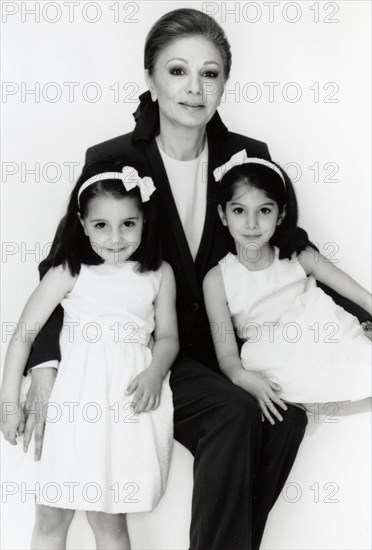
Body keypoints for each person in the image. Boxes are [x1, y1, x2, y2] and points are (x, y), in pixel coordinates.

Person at [17, 8, 371, 550]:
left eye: (210, 73)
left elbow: (292, 250)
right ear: (151, 79)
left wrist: (362, 319)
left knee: (286, 420)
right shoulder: (113, 159)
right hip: (145, 351)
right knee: (235, 411)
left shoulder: (247, 157)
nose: (194, 87)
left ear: (225, 82)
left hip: (227, 345)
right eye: (178, 70)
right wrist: (45, 364)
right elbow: (62, 263)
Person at [0, 160, 179, 549]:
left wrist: (155, 371)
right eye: (101, 226)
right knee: (51, 513)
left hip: (124, 403)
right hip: (72, 400)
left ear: (144, 220)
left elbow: (168, 337)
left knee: (110, 520)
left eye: (128, 224)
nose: (115, 238)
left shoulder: (159, 273)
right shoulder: (70, 269)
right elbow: (23, 335)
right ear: (82, 224)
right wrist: (9, 402)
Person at [203, 153, 371, 423]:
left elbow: (363, 298)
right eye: (239, 211)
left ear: (281, 214)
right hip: (275, 357)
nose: (252, 224)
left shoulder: (300, 256)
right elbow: (227, 356)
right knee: (275, 373)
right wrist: (241, 376)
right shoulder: (217, 279)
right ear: (223, 214)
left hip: (319, 338)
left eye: (264, 211)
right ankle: (316, 400)